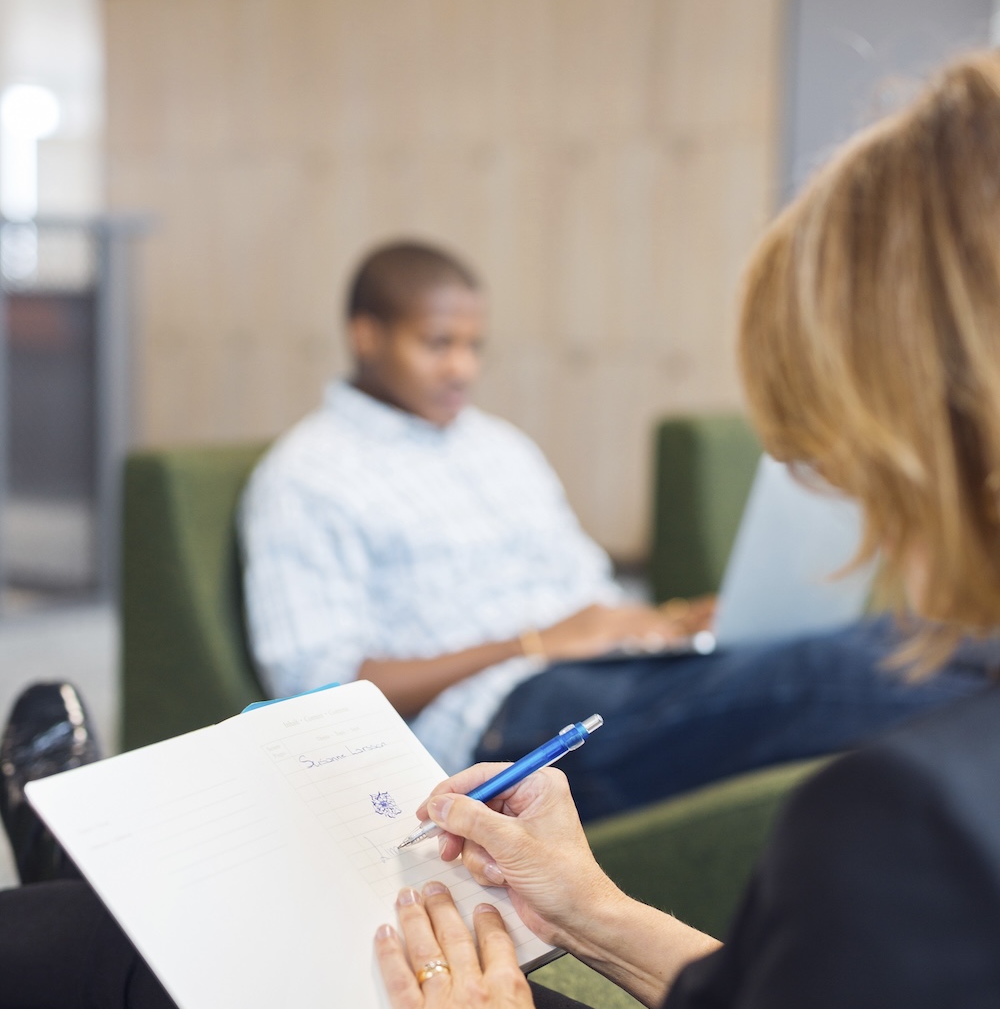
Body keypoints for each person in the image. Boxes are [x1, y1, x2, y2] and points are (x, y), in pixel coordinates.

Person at [6, 48, 1000, 1009]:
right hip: (556, 768)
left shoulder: (908, 830)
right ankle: (80, 863)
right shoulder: (311, 473)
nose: (849, 507)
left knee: (307, 955)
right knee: (381, 949)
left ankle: (73, 863)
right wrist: (600, 917)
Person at [240, 240, 993, 820]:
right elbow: (315, 692)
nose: (463, 367)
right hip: (506, 726)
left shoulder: (500, 446)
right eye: (439, 343)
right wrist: (534, 641)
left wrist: (663, 624)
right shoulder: (307, 476)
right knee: (868, 666)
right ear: (366, 336)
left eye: (474, 346)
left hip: (603, 677)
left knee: (880, 639)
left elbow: (591, 608)